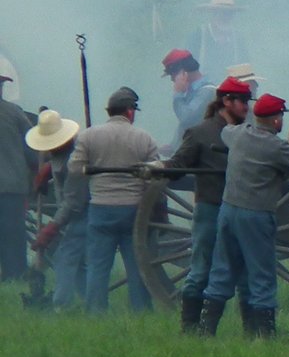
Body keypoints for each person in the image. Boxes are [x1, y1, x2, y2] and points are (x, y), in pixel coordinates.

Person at [201, 93, 289, 337]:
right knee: (262, 274)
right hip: (257, 216)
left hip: (228, 211)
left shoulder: (236, 134)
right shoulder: (277, 146)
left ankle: (206, 331)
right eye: (281, 116)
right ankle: (266, 335)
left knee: (221, 270)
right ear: (275, 121)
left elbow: (224, 133)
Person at [167, 77, 251, 334]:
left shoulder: (247, 133)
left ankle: (252, 330)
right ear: (226, 101)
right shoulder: (200, 132)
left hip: (241, 208)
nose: (246, 107)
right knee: (201, 268)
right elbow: (179, 165)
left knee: (246, 269)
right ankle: (190, 329)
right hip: (210, 207)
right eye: (242, 102)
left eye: (248, 102)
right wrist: (158, 168)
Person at [70, 87, 163, 313]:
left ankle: (95, 311)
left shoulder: (88, 135)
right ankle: (140, 310)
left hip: (100, 206)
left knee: (98, 267)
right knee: (137, 266)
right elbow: (157, 173)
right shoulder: (144, 137)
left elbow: (74, 168)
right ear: (130, 112)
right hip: (134, 209)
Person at [26, 110, 86, 306]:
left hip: (82, 214)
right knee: (75, 262)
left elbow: (72, 201)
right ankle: (87, 300)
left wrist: (51, 228)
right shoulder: (61, 155)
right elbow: (56, 163)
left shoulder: (73, 162)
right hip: (76, 213)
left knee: (64, 257)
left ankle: (61, 304)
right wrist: (47, 170)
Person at [0, 76, 29, 282]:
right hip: (12, 186)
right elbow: (33, 146)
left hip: (11, 185)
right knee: (14, 235)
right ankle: (16, 276)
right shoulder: (15, 113)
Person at [162, 51, 213, 153]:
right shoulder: (190, 91)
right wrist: (173, 145)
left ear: (183, 72)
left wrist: (178, 94)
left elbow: (187, 118)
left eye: (173, 74)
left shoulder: (207, 92)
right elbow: (184, 126)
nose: (172, 79)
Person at [192, 0, 248, 76]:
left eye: (230, 13)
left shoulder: (238, 38)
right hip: (203, 87)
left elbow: (245, 68)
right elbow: (187, 69)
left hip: (232, 87)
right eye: (223, 13)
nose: (227, 17)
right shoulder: (198, 36)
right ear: (214, 13)